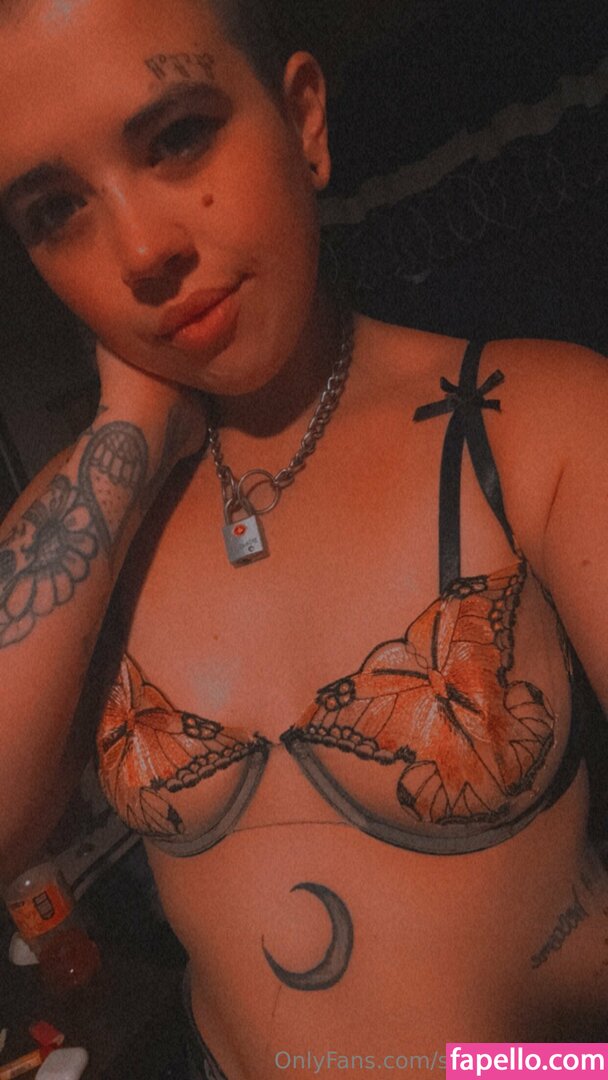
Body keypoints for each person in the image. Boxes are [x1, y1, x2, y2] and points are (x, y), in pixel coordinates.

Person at [0, 0, 607, 1075]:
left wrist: (551, 1070)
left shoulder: (534, 424)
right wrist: (129, 429)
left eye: (178, 137)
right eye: (57, 209)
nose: (141, 250)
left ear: (304, 121)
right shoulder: (84, 517)